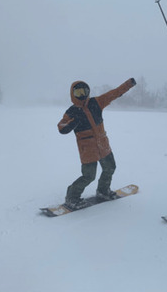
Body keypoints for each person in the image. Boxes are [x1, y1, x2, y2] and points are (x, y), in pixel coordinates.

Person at [58, 78, 136, 209]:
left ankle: (103, 191)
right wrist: (71, 123)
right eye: (78, 92)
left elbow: (113, 93)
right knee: (89, 176)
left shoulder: (96, 103)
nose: (82, 95)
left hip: (103, 144)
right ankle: (72, 197)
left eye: (84, 91)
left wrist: (128, 85)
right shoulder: (71, 111)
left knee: (110, 167)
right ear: (73, 94)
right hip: (88, 149)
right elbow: (61, 126)